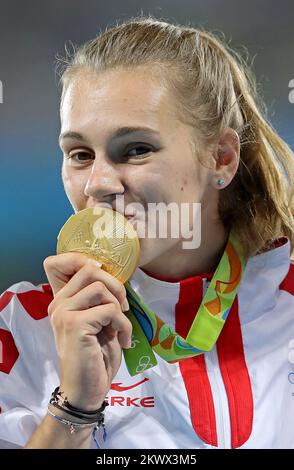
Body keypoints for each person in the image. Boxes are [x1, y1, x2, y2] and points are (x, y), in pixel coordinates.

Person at [0, 15, 293, 450]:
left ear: (222, 159)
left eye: (136, 149)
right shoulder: (22, 326)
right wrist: (74, 410)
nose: (98, 182)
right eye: (80, 154)